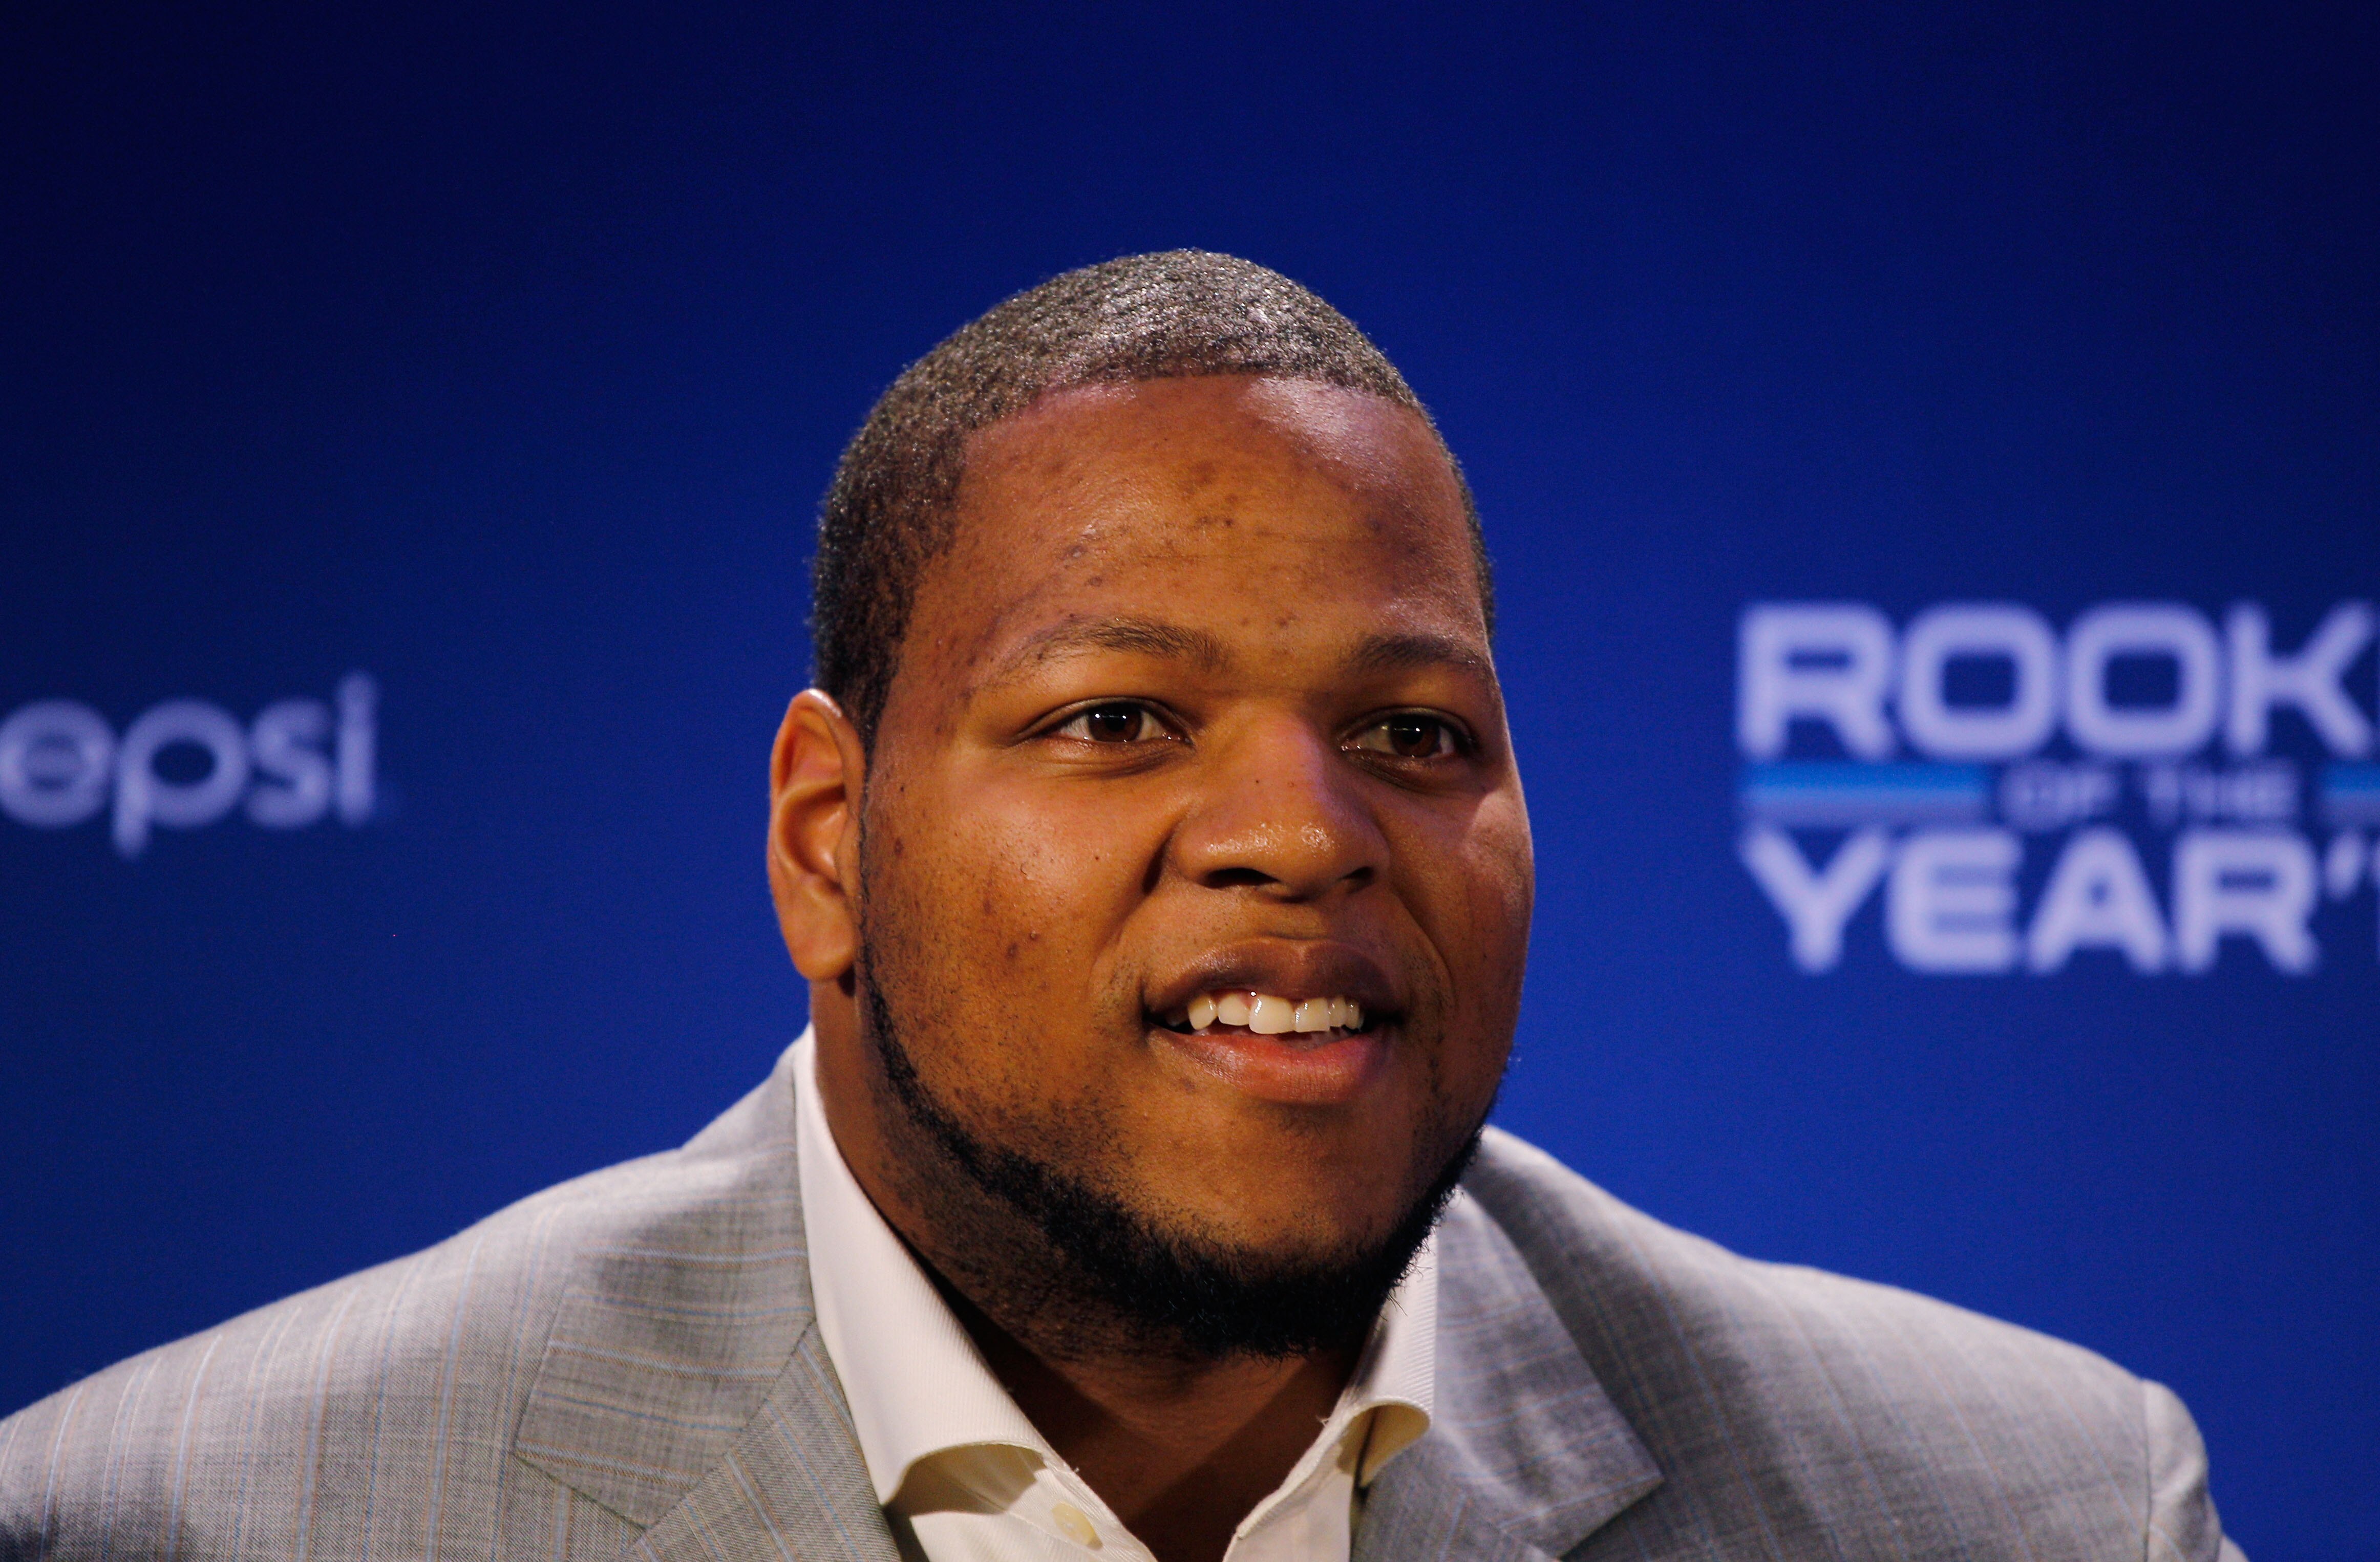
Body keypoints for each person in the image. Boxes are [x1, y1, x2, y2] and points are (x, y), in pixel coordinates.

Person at [0, 252, 2240, 1562]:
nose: (1304, 832)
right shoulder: (177, 1520)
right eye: (1115, 724)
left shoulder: (2032, 1509)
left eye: (1415, 735)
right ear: (823, 840)